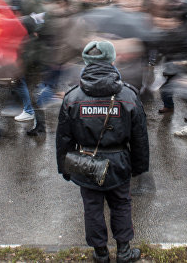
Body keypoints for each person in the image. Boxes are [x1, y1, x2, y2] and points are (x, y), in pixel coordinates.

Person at [56, 40, 149, 263]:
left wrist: (65, 168)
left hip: (86, 163)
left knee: (92, 208)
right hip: (119, 163)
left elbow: (63, 138)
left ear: (86, 62)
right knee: (121, 204)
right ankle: (124, 252)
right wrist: (138, 167)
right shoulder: (128, 96)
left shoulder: (72, 98)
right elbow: (140, 137)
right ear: (112, 60)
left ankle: (100, 254)